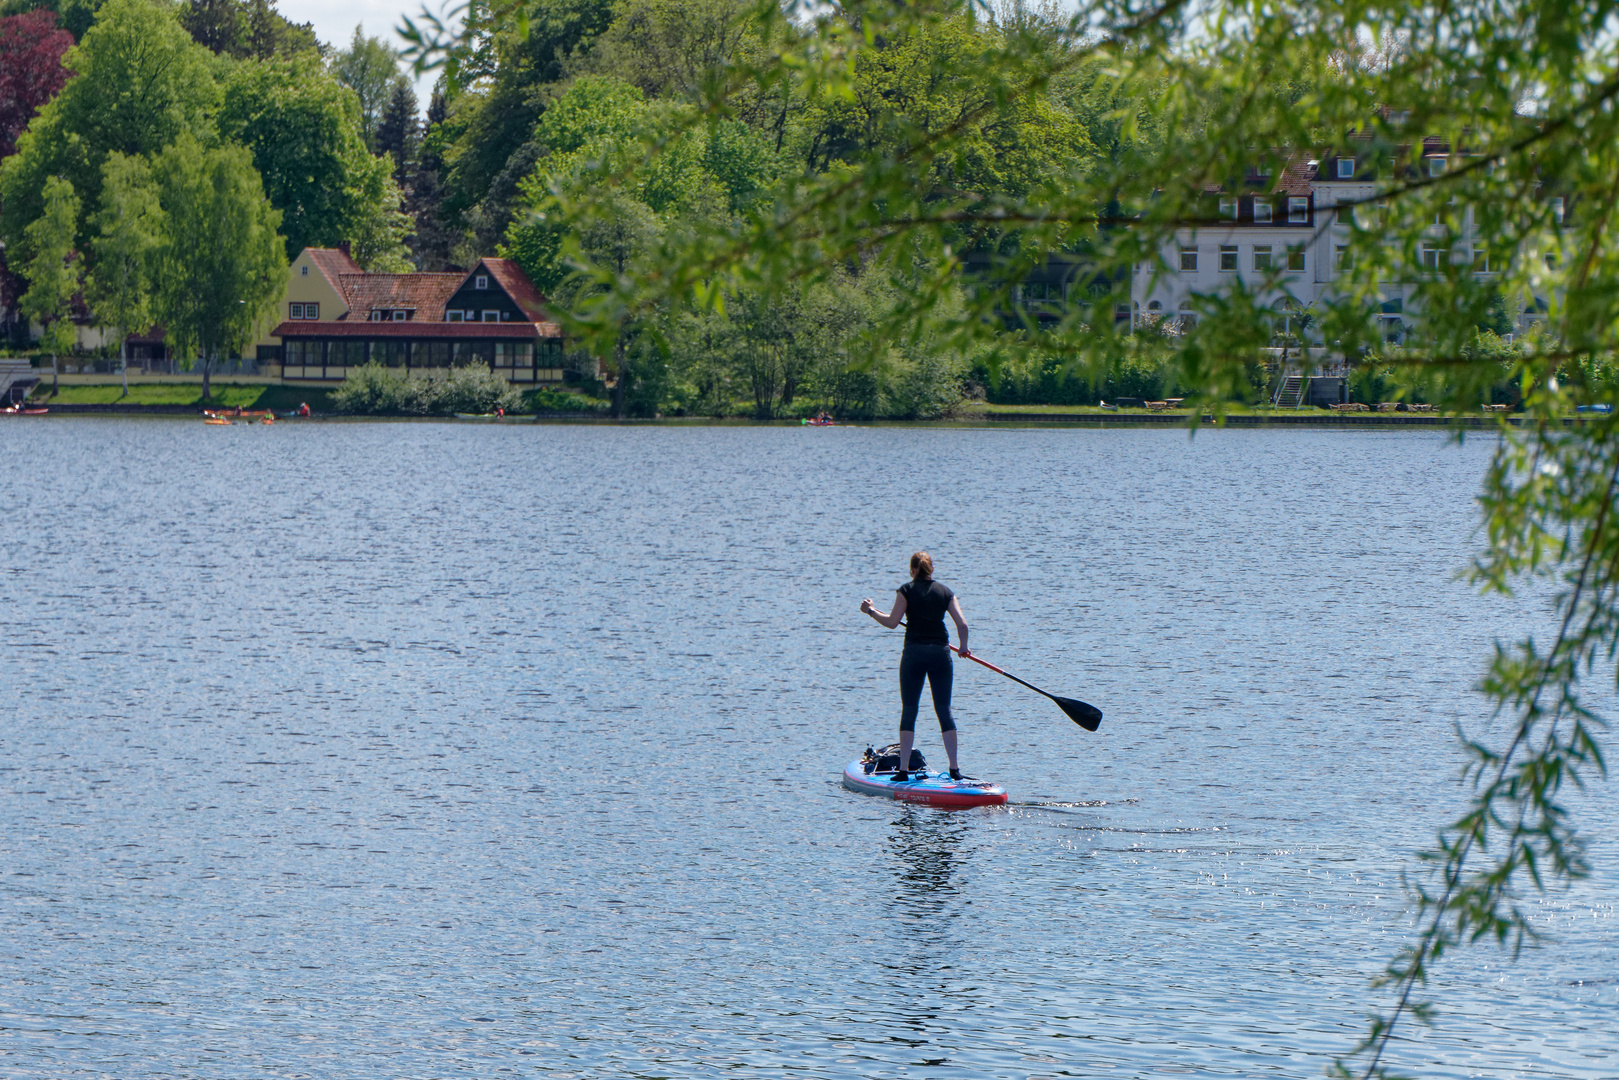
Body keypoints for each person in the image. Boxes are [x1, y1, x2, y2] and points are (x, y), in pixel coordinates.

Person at [860, 551, 970, 782]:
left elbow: (891, 622)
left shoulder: (906, 590)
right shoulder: (946, 592)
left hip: (914, 654)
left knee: (910, 709)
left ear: (912, 570)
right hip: (941, 654)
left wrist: (871, 611)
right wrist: (963, 647)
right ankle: (955, 769)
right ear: (932, 569)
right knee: (944, 710)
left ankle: (902, 771)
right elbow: (962, 623)